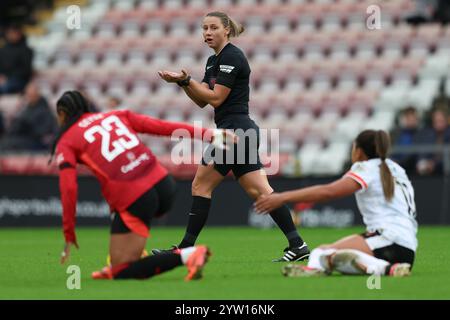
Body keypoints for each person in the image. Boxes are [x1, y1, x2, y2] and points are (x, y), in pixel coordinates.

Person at [155, 11, 309, 262]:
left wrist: (187, 79)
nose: (207, 32)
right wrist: (183, 83)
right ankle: (298, 244)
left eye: (213, 27)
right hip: (239, 131)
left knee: (200, 186)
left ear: (226, 30)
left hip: (233, 132)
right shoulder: (212, 61)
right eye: (204, 28)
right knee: (261, 192)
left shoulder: (232, 56)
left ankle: (185, 248)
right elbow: (202, 100)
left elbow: (216, 98)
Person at [52, 90, 236, 281]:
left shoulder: (66, 141)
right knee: (121, 258)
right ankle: (122, 263)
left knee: (123, 270)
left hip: (136, 195)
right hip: (163, 184)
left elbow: (69, 188)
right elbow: (160, 126)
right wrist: (209, 134)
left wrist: (69, 232)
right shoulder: (115, 115)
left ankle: (189, 255)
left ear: (62, 114)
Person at [255, 130, 418, 277]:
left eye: (353, 147)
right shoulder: (395, 168)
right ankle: (387, 267)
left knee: (320, 253)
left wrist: (282, 197)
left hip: (387, 239)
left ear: (359, 151)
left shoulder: (365, 168)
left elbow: (328, 192)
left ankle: (384, 269)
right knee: (334, 257)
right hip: (408, 247)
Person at [0, 82, 57, 151]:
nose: (29, 96)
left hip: (35, 142)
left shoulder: (45, 110)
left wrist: (26, 124)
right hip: (22, 138)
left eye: (31, 94)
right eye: (28, 94)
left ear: (37, 94)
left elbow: (44, 130)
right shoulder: (26, 108)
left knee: (8, 144)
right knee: (6, 141)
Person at [415, 107, 450, 176]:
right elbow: (423, 152)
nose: (438, 124)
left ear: (446, 120)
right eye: (436, 121)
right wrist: (422, 162)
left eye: (441, 121)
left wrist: (434, 164)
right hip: (430, 174)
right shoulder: (428, 135)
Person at [0, 24, 33, 94]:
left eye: (13, 33)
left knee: (5, 87)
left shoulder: (26, 50)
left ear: (19, 33)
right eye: (9, 33)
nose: (11, 35)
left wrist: (7, 77)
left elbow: (26, 70)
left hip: (20, 80)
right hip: (4, 79)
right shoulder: (3, 50)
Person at [390, 106, 420, 174]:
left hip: (412, 170)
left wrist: (399, 163)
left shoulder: (421, 134)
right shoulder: (397, 133)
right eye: (408, 118)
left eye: (413, 118)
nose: (411, 121)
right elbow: (393, 151)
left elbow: (416, 154)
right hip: (397, 168)